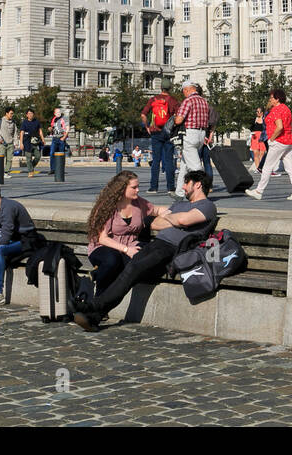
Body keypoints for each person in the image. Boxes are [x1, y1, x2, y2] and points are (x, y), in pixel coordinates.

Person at [73, 170, 217, 331]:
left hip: (173, 248)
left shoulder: (207, 206)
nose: (182, 187)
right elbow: (155, 223)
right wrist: (175, 218)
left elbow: (182, 220)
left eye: (186, 183)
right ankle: (95, 316)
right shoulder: (180, 205)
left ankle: (94, 307)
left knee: (133, 268)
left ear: (197, 185)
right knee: (131, 269)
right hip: (157, 244)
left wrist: (174, 218)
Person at [85, 171, 158, 295]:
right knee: (112, 260)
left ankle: (97, 278)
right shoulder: (107, 206)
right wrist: (126, 249)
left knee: (138, 261)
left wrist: (176, 213)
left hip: (131, 245)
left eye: (138, 186)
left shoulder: (139, 203)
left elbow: (156, 210)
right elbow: (102, 239)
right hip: (103, 247)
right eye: (134, 187)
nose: (138, 190)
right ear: (122, 188)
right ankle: (99, 296)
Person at [245, 88, 292, 201]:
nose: (270, 99)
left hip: (278, 141)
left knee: (267, 167)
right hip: (288, 141)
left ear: (277, 99)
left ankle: (259, 191)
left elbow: (279, 126)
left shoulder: (276, 110)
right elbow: (290, 126)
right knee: (290, 168)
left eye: (272, 97)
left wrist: (271, 139)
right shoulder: (287, 109)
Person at [171, 80, 209, 194]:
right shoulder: (204, 101)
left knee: (195, 166)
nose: (184, 94)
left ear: (187, 89)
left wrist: (173, 118)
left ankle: (202, 191)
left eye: (184, 92)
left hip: (190, 134)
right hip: (201, 134)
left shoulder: (188, 101)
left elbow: (179, 120)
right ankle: (179, 192)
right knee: (185, 164)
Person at [141, 82, 178, 194]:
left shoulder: (153, 99)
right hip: (168, 132)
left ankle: (153, 187)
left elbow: (143, 115)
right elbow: (179, 117)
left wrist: (147, 126)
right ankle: (171, 188)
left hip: (155, 132)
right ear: (170, 88)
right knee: (169, 160)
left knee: (156, 160)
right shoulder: (173, 101)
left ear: (161, 87)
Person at [0, 108, 17, 175]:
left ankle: (6, 172)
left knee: (9, 159)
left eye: (13, 113)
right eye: (11, 113)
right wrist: (0, 138)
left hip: (10, 144)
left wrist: (16, 142)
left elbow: (15, 133)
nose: (12, 115)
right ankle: (0, 173)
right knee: (1, 159)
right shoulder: (0, 121)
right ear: (6, 113)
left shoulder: (13, 122)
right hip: (2, 143)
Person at [20, 109, 43, 175]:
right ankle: (30, 171)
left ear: (33, 114)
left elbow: (40, 131)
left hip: (35, 142)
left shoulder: (36, 122)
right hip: (27, 142)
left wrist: (43, 139)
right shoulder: (24, 122)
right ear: (26, 115)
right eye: (29, 113)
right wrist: (21, 143)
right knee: (28, 158)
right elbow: (21, 133)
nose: (30, 115)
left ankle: (31, 167)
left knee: (38, 156)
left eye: (31, 113)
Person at [249, 107, 267, 173]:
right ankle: (257, 168)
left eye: (259, 111)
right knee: (256, 153)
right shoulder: (254, 119)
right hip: (255, 137)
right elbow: (251, 128)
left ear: (262, 112)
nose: (257, 113)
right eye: (257, 111)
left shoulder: (265, 119)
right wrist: (252, 132)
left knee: (262, 152)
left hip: (263, 136)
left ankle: (261, 167)